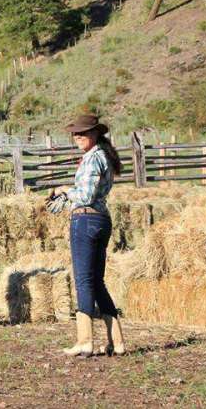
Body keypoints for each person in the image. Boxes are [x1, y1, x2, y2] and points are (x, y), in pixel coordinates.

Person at [50, 114, 126, 358]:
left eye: (82, 133)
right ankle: (117, 341)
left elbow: (85, 195)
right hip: (100, 220)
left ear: (95, 134)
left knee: (83, 280)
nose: (77, 137)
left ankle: (85, 341)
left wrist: (63, 191)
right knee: (96, 281)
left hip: (86, 220)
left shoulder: (94, 159)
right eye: (75, 133)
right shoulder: (101, 156)